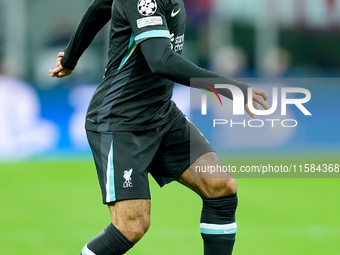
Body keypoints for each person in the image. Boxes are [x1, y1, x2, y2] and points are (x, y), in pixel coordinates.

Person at [49, 0, 269, 254]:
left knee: (220, 186)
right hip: (120, 120)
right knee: (131, 226)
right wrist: (228, 87)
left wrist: (71, 59)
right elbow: (160, 59)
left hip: (160, 112)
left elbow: (100, 6)